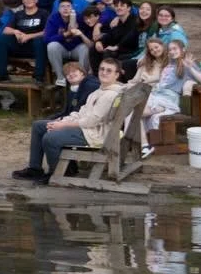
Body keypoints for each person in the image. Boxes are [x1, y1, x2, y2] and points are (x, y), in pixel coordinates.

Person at [13, 55, 126, 183]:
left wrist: (63, 125)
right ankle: (35, 169)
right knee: (38, 126)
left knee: (50, 138)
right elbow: (81, 112)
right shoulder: (99, 90)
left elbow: (91, 121)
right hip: (86, 128)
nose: (104, 72)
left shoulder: (110, 95)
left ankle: (58, 173)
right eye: (102, 69)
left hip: (94, 134)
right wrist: (63, 120)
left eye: (109, 70)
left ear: (117, 75)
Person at [0, 0, 50, 82]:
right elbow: (6, 30)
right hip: (19, 45)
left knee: (39, 41)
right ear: (22, 0)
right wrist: (16, 31)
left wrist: (29, 36)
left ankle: (39, 77)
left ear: (36, 0)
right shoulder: (18, 14)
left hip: (35, 47)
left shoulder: (44, 13)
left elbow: (48, 31)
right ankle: (1, 74)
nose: (28, 0)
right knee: (2, 39)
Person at [44, 0, 91, 86]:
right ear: (58, 9)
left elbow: (88, 35)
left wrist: (79, 32)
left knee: (85, 48)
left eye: (68, 6)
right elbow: (47, 39)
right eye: (62, 6)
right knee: (51, 46)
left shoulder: (79, 17)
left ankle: (82, 78)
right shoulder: (53, 18)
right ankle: (60, 78)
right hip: (62, 48)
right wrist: (65, 34)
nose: (65, 9)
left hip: (76, 48)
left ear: (72, 8)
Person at [93, 0, 142, 76]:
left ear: (129, 8)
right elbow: (110, 35)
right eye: (116, 6)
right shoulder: (118, 21)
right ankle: (97, 75)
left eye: (122, 6)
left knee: (109, 52)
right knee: (94, 48)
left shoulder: (134, 20)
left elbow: (130, 37)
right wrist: (99, 42)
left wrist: (117, 47)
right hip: (120, 48)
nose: (119, 8)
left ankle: (109, 76)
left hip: (131, 49)